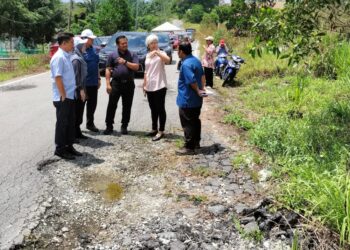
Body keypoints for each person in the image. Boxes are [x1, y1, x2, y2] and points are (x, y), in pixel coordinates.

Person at [50, 32, 82, 160]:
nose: (73, 45)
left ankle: (69, 146)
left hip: (70, 95)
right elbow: (58, 77)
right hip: (63, 97)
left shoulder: (67, 55)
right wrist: (63, 94)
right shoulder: (59, 57)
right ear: (63, 43)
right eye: (71, 42)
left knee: (70, 122)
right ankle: (60, 149)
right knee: (62, 124)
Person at [104, 35, 139, 135]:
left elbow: (136, 67)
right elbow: (108, 69)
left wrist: (125, 62)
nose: (125, 45)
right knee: (112, 105)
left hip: (129, 84)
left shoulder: (132, 54)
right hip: (116, 83)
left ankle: (124, 126)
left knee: (127, 106)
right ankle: (109, 126)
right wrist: (107, 84)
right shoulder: (112, 55)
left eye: (126, 43)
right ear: (117, 45)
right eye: (122, 43)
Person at [176, 42, 206, 155]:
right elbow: (203, 76)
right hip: (197, 99)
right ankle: (196, 143)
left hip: (187, 99)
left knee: (187, 123)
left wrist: (198, 90)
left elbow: (191, 81)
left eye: (178, 50)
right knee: (195, 121)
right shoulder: (196, 60)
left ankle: (189, 147)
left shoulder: (186, 64)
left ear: (182, 52)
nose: (177, 52)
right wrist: (202, 89)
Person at [143, 34, 170, 141]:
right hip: (150, 86)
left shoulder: (161, 53)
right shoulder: (147, 55)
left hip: (160, 85)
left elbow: (167, 60)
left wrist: (158, 53)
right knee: (153, 108)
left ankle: (161, 130)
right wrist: (144, 85)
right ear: (148, 45)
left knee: (160, 108)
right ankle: (154, 128)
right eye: (152, 43)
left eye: (155, 43)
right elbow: (146, 71)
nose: (154, 45)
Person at [81, 29, 101, 133]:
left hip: (93, 82)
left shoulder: (94, 49)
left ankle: (90, 124)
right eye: (91, 38)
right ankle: (76, 127)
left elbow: (96, 65)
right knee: (80, 106)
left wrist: (98, 78)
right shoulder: (80, 51)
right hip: (83, 84)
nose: (93, 40)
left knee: (92, 105)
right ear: (85, 39)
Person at [71, 37, 88, 140]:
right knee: (77, 112)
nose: (85, 46)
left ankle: (77, 131)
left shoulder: (80, 56)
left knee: (79, 112)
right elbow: (76, 76)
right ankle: (73, 134)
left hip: (81, 88)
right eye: (83, 44)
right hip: (78, 90)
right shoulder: (76, 59)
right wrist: (81, 90)